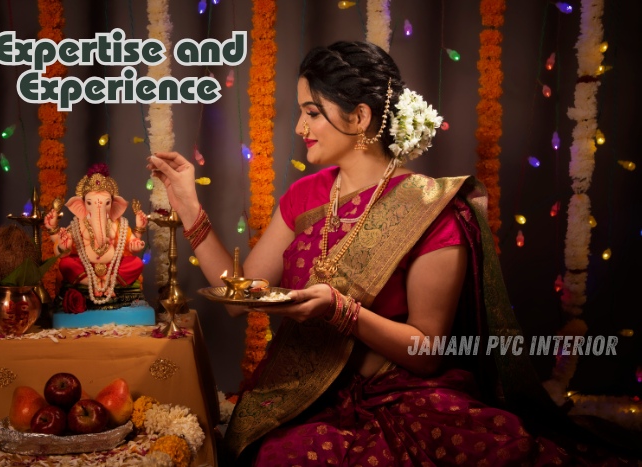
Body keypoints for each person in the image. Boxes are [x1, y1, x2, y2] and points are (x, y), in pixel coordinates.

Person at [148, 41, 636, 466]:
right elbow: (239, 298)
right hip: (308, 395)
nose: (299, 126)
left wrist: (342, 311)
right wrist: (190, 207)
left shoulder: (431, 208)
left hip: (406, 393)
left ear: (359, 117)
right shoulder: (304, 196)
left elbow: (426, 354)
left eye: (312, 112)